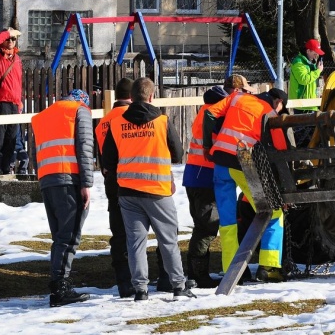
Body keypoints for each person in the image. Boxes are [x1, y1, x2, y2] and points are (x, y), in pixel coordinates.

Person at [102, 77, 194, 301]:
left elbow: (108, 161)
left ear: (130, 98)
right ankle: (178, 286)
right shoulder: (162, 121)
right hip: (157, 190)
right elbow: (178, 153)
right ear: (152, 96)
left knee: (135, 243)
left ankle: (140, 289)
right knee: (168, 240)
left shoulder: (116, 123)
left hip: (128, 192)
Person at [204, 86, 289, 283]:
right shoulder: (268, 112)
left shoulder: (236, 97)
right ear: (278, 102)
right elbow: (281, 148)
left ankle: (232, 270)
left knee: (227, 222)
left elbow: (209, 114)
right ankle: (269, 267)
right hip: (242, 165)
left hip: (220, 164)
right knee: (273, 212)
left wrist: (208, 145)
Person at [31, 89, 94, 307]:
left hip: (47, 180)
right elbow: (85, 148)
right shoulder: (80, 111)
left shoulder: (43, 115)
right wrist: (87, 183)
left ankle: (59, 286)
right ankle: (60, 290)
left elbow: (34, 153)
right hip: (70, 179)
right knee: (69, 237)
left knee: (59, 236)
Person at [181, 84, 230, 289]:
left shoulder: (203, 113)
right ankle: (198, 275)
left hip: (195, 174)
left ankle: (196, 273)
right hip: (204, 176)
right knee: (206, 227)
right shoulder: (213, 117)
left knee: (203, 226)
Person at [95, 77, 136, 297]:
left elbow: (103, 155)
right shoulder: (130, 116)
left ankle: (123, 280)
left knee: (118, 230)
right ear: (132, 97)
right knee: (138, 231)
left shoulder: (103, 121)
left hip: (111, 178)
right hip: (134, 177)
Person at [0, 27, 23, 175]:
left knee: (11, 140)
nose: (11, 41)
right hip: (0, 103)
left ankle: (6, 170)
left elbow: (18, 82)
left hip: (14, 103)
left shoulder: (17, 59)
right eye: (8, 39)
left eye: (13, 39)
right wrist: (7, 32)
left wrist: (19, 102)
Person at [288, 38, 325, 112]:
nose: (316, 55)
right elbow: (304, 80)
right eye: (315, 53)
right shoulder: (298, 63)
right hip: (301, 105)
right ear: (308, 51)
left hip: (310, 105)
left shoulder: (311, 63)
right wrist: (318, 71)